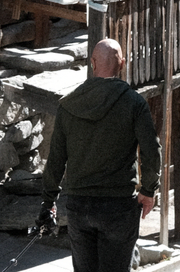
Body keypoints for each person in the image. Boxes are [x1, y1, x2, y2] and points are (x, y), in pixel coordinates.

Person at [37, 37, 161, 272]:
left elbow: (55, 159)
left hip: (79, 206)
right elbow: (151, 150)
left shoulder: (69, 104)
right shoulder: (134, 103)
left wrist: (49, 200)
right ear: (122, 64)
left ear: (92, 63)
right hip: (118, 206)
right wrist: (148, 190)